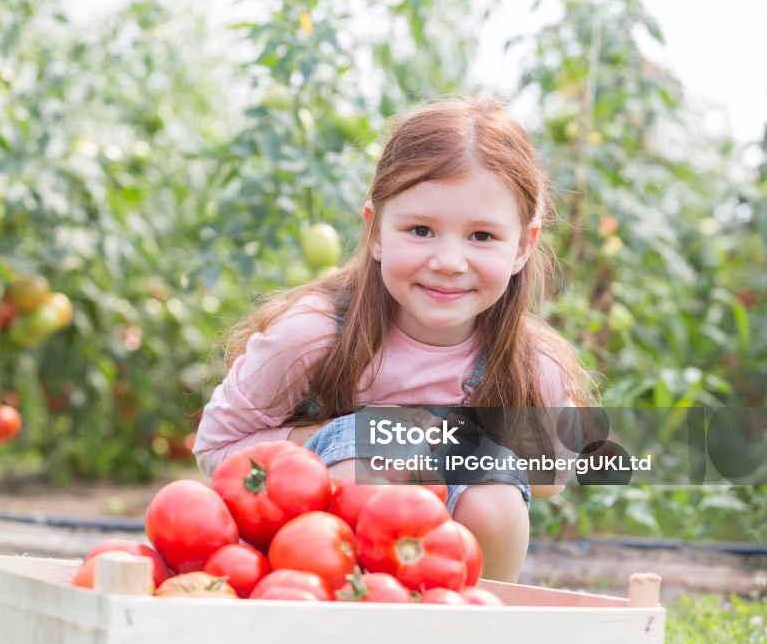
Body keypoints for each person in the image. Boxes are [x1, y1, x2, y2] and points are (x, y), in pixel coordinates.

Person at [193, 97, 595, 582]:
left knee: (497, 499)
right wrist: (343, 438)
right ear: (377, 232)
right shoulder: (314, 333)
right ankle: (346, 633)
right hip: (322, 555)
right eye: (421, 230)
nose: (449, 260)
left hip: (447, 551)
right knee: (361, 466)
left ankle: (477, 629)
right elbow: (215, 448)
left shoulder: (533, 362)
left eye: (482, 236)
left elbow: (553, 473)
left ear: (522, 247)